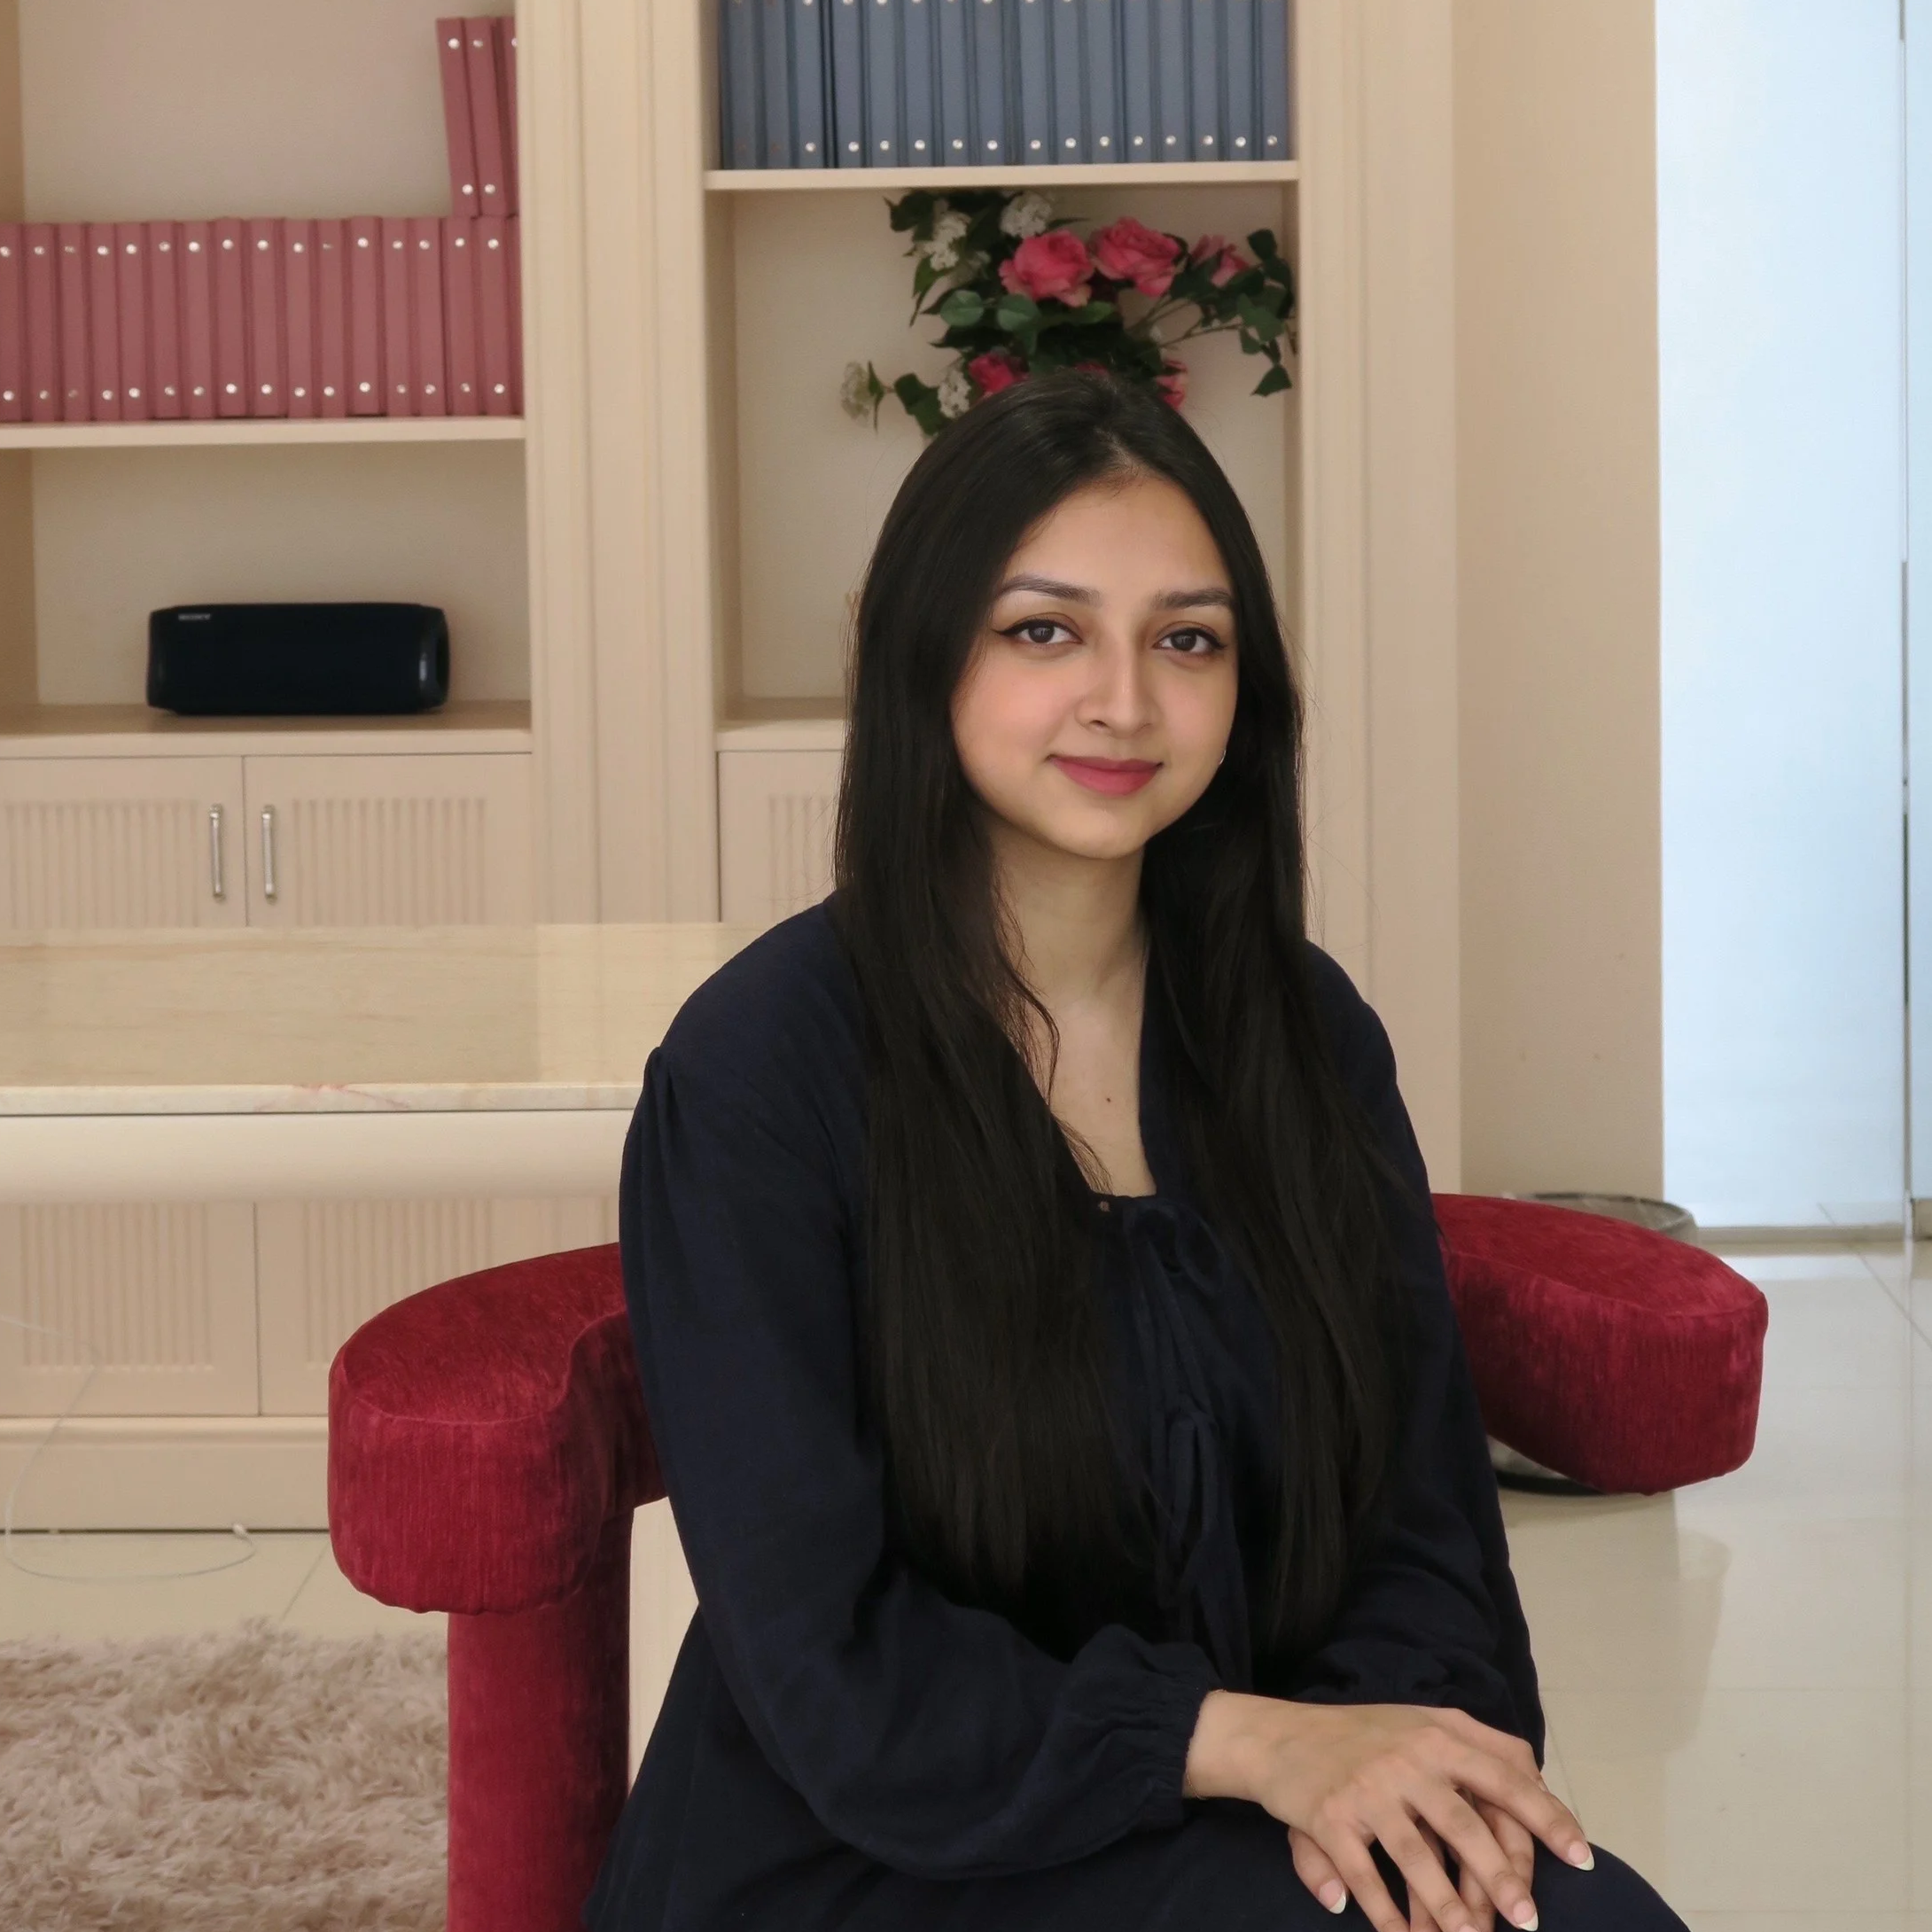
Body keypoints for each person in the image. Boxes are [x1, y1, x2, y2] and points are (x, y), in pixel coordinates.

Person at [583, 371, 1687, 1932]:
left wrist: (1394, 1764)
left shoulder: (1303, 1035)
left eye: (1187, 639)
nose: (1125, 702)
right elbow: (828, 1662)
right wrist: (1258, 1746)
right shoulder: (762, 1072)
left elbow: (1424, 1521)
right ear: (922, 652)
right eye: (1045, 631)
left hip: (1243, 1807)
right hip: (878, 1848)